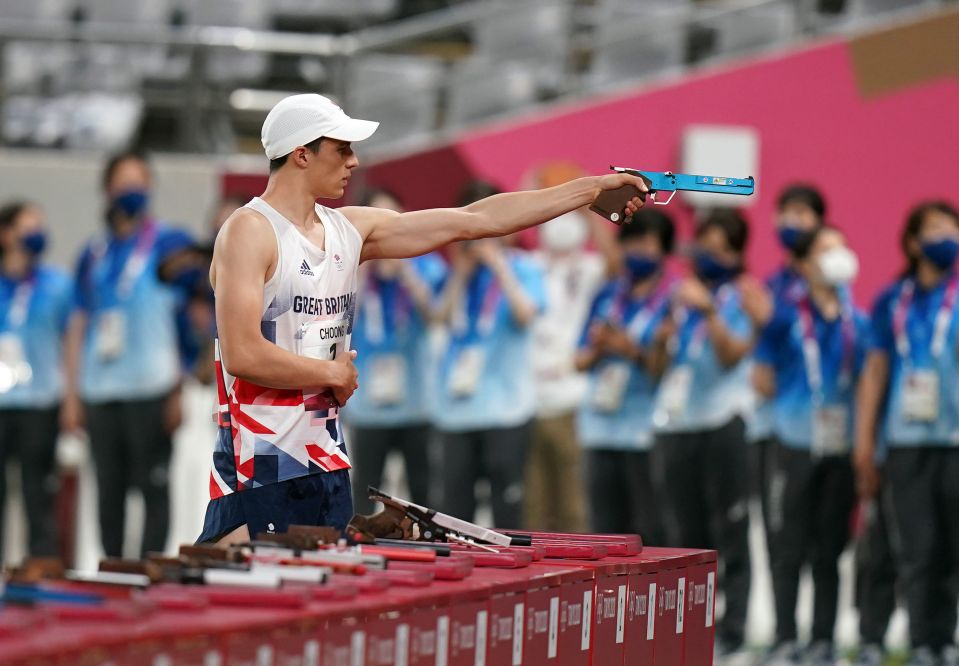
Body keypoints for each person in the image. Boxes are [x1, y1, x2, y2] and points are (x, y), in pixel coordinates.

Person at [196, 93, 648, 544]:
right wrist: (330, 371)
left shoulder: (347, 229)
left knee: (325, 612)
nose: (354, 162)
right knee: (247, 608)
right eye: (342, 149)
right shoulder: (249, 230)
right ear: (300, 154)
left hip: (328, 462)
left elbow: (474, 219)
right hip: (261, 468)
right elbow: (242, 353)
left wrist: (586, 191)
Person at [63, 150, 190, 558]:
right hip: (101, 392)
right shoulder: (93, 253)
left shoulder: (170, 243)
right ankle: (113, 575)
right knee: (109, 494)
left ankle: (149, 578)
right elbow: (79, 323)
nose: (132, 189)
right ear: (107, 190)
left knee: (154, 489)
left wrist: (178, 387)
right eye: (124, 182)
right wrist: (72, 394)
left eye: (140, 181)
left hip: (151, 388)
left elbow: (191, 316)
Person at [753, 225, 867, 666]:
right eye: (826, 250)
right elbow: (761, 378)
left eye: (842, 247)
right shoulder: (785, 317)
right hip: (793, 444)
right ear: (805, 264)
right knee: (789, 545)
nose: (837, 256)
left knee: (830, 547)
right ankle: (785, 637)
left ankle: (823, 639)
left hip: (839, 448)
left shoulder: (858, 320)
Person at [855, 201, 959, 666]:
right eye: (936, 229)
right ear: (913, 241)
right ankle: (922, 642)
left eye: (953, 230)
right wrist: (864, 441)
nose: (946, 237)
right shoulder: (891, 301)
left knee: (953, 546)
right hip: (905, 441)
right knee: (917, 547)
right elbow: (875, 372)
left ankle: (946, 640)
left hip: (955, 439)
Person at [650, 208, 757, 660]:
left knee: (730, 529)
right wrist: (660, 338)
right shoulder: (677, 295)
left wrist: (710, 310)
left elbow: (733, 355)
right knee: (685, 536)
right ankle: (691, 627)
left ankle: (734, 630)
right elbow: (657, 370)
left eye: (721, 248)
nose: (709, 255)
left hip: (724, 423)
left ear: (735, 254)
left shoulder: (745, 295)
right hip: (677, 425)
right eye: (704, 245)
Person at [428, 181, 546, 528]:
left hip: (506, 411)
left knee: (507, 511)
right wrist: (462, 274)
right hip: (456, 413)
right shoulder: (457, 272)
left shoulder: (523, 267)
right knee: (454, 512)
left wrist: (497, 263)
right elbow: (438, 317)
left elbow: (526, 315)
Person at [343, 188, 447, 514]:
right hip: (368, 406)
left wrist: (404, 267)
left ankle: (426, 554)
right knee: (365, 491)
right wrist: (361, 271)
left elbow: (435, 316)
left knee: (422, 491)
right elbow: (341, 320)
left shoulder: (425, 263)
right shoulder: (349, 269)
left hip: (416, 405)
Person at [575, 208, 675, 543]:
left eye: (647, 243)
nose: (638, 252)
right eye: (631, 243)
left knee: (649, 531)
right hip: (600, 429)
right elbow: (578, 360)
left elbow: (668, 370)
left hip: (648, 432)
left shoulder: (676, 298)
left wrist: (631, 349)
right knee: (604, 532)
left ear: (665, 249)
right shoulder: (607, 293)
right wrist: (601, 349)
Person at [524, 162, 613, 533]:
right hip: (529, 396)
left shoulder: (590, 269)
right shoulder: (529, 265)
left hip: (572, 396)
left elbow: (615, 261)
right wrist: (532, 194)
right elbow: (500, 229)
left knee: (574, 502)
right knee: (534, 504)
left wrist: (589, 205)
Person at [0, 202, 72, 560]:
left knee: (38, 493)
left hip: (41, 403)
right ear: (6, 234)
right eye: (28, 225)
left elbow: (73, 340)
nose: (36, 232)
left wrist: (72, 398)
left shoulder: (58, 284)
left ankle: (41, 567)